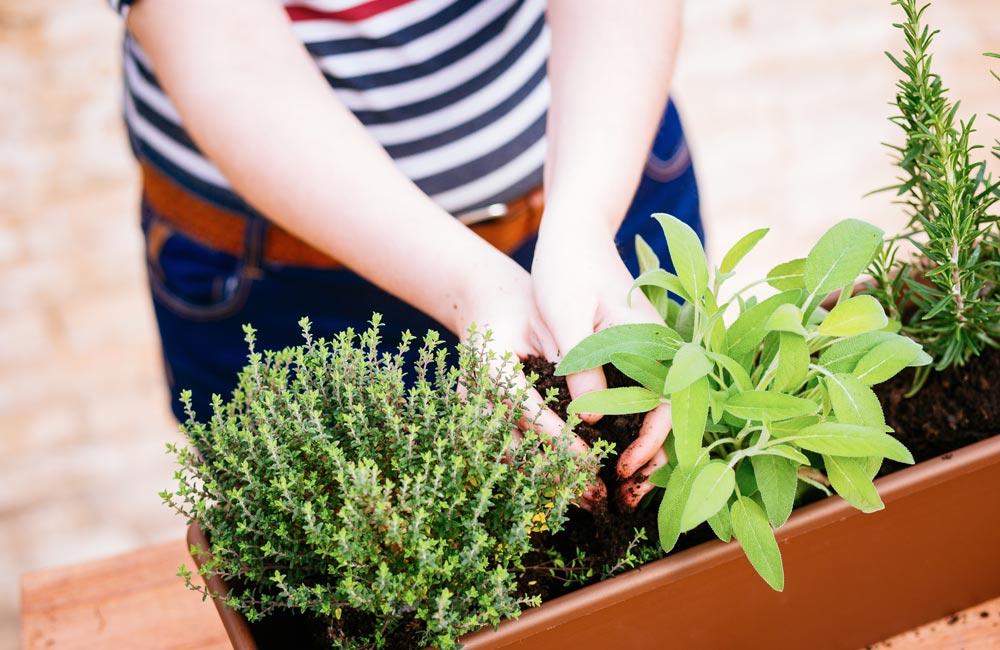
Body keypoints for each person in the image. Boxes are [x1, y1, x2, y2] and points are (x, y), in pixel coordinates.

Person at [109, 0, 703, 509]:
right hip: (290, 280)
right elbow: (223, 51)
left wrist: (584, 219)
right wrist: (468, 281)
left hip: (599, 169)